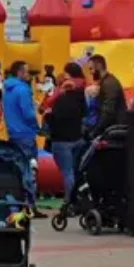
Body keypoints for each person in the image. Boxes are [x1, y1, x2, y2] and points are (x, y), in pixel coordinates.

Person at [43, 65, 87, 202]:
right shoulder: (81, 96)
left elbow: (56, 117)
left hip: (62, 140)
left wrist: (48, 116)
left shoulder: (62, 99)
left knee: (67, 172)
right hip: (77, 137)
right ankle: (78, 198)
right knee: (75, 171)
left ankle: (70, 201)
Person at [2, 61, 39, 187]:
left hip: (13, 132)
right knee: (30, 168)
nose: (28, 74)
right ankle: (30, 197)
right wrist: (36, 126)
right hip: (26, 133)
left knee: (18, 167)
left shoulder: (7, 89)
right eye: (26, 71)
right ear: (20, 72)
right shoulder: (23, 89)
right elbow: (28, 113)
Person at [88, 54, 128, 138]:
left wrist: (96, 131)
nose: (90, 72)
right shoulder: (107, 82)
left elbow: (108, 111)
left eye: (91, 69)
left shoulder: (108, 83)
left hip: (114, 129)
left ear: (99, 66)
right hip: (112, 127)